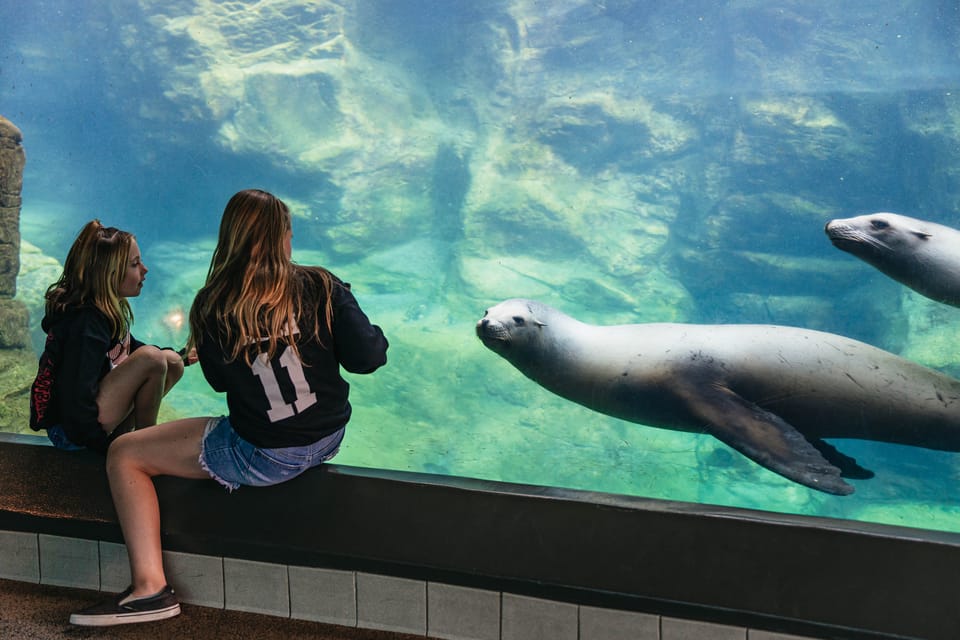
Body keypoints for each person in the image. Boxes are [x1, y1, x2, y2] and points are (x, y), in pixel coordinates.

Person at [69, 189, 389, 626]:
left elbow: (222, 383)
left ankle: (150, 589)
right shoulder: (321, 284)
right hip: (328, 438)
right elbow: (369, 358)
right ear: (282, 238)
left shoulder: (214, 303)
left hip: (264, 454)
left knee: (124, 453)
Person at [29, 220, 191, 453]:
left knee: (172, 362)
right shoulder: (86, 323)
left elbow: (130, 350)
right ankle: (145, 449)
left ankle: (130, 441)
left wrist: (183, 356)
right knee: (153, 359)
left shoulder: (107, 311)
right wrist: (99, 445)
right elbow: (75, 395)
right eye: (135, 264)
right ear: (109, 273)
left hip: (93, 420)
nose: (145, 270)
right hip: (73, 432)